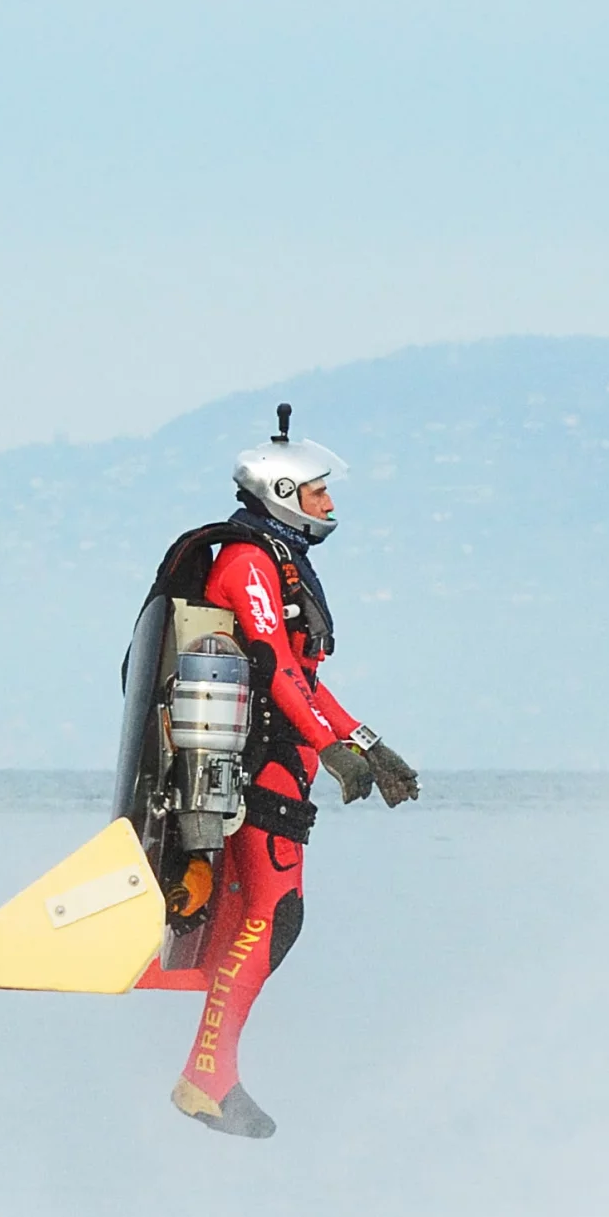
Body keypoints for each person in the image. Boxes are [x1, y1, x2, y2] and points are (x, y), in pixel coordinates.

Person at [168, 413, 419, 1138]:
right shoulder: (247, 561)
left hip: (286, 754)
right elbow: (273, 668)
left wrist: (369, 745)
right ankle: (204, 1078)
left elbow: (308, 676)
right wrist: (330, 747)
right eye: (316, 493)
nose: (329, 505)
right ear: (280, 491)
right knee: (274, 916)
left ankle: (209, 1074)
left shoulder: (280, 559)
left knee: (268, 917)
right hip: (260, 759)